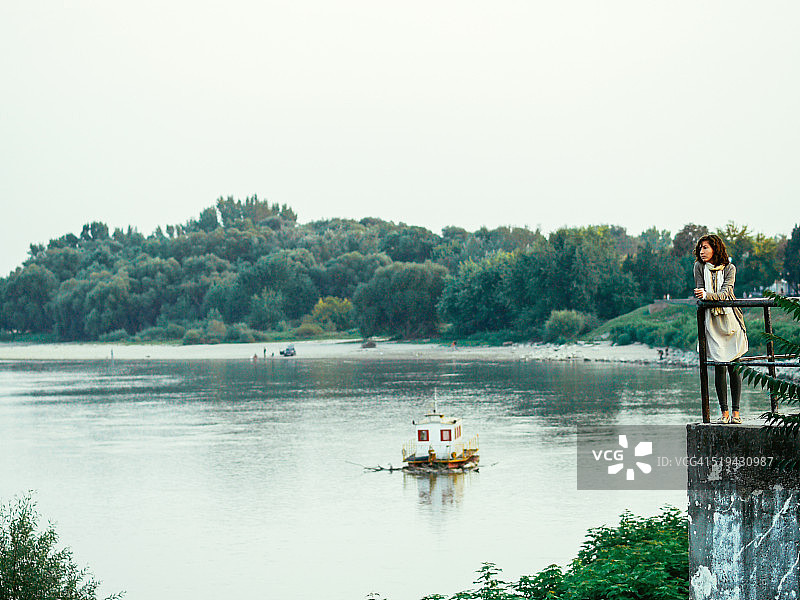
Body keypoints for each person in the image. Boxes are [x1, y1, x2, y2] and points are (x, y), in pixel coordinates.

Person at [693, 234, 748, 424]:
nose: (702, 251)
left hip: (731, 321)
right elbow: (700, 291)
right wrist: (702, 294)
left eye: (706, 247)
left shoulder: (730, 268)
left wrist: (707, 295)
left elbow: (725, 293)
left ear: (715, 248)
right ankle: (724, 413)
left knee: (734, 366)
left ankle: (736, 413)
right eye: (700, 248)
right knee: (719, 366)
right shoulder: (699, 267)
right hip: (712, 322)